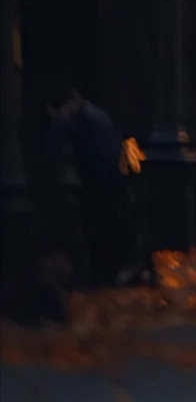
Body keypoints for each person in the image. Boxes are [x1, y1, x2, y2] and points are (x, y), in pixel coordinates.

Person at [44, 85, 144, 288]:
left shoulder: (76, 119)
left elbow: (52, 149)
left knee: (99, 237)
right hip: (112, 184)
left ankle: (101, 279)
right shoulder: (95, 115)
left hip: (99, 186)